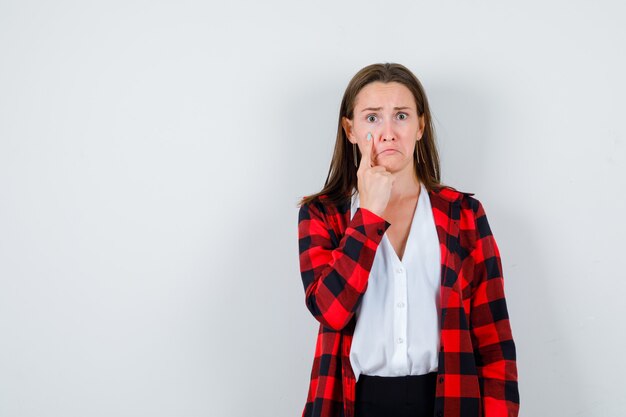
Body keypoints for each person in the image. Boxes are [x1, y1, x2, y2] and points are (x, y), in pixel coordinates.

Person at [296, 63, 519, 417]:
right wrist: (368, 216)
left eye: (401, 115)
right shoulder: (323, 215)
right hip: (353, 401)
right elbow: (330, 311)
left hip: (447, 400)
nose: (388, 132)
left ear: (420, 126)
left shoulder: (464, 215)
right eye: (372, 118)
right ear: (350, 129)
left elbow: (494, 344)